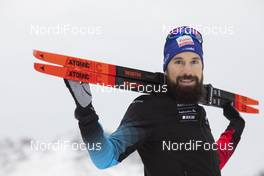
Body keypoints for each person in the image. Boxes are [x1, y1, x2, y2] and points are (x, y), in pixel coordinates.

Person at [64, 26, 245, 176]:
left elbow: (211, 162)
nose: (187, 70)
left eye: (194, 61)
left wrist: (235, 128)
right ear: (166, 68)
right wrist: (86, 113)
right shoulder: (147, 107)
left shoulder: (198, 111)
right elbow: (104, 158)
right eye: (179, 61)